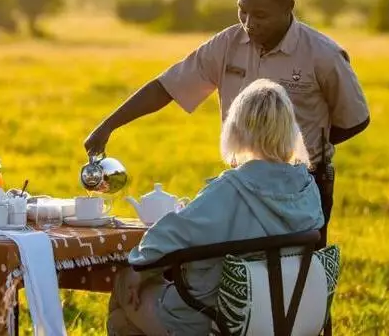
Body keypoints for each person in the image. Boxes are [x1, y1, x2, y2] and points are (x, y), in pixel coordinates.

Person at [85, 0, 369, 246]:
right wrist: (108, 126)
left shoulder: (323, 55)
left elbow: (353, 121)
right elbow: (167, 87)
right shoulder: (226, 45)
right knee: (241, 274)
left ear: (288, 7)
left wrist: (298, 150)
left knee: (301, 276)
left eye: (260, 15)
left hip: (303, 186)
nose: (248, 24)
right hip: (241, 183)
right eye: (242, 11)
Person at [107, 79, 324, 335]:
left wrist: (137, 271)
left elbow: (173, 233)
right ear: (290, 130)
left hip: (213, 318)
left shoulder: (232, 188)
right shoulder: (307, 187)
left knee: (123, 296)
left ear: (238, 127)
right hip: (286, 317)